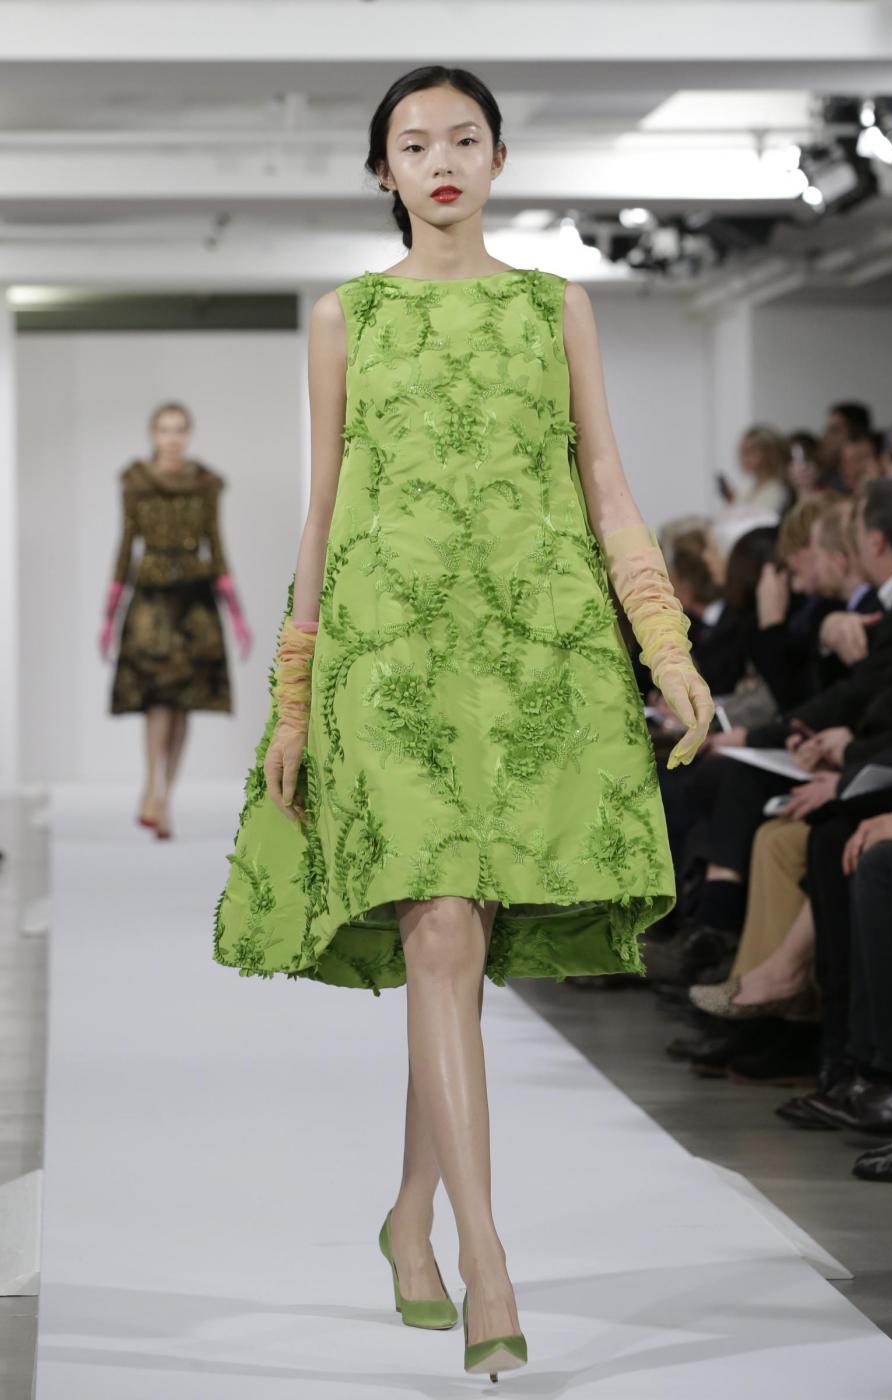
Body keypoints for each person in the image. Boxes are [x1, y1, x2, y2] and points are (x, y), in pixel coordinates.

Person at [212, 65, 714, 1382]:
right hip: (391, 658)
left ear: (498, 158)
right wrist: (296, 693)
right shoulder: (347, 317)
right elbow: (325, 506)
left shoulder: (556, 307)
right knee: (438, 926)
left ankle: (410, 1217)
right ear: (382, 171)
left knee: (463, 946)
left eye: (463, 138)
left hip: (538, 649)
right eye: (413, 143)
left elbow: (605, 482)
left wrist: (662, 641)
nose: (440, 160)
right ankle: (488, 1261)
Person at [99, 401, 252, 838]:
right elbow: (126, 543)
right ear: (154, 434)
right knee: (158, 697)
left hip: (194, 601)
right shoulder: (136, 483)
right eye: (165, 429)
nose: (172, 437)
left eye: (179, 429)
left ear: (188, 434)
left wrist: (236, 612)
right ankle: (152, 788)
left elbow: (215, 544)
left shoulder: (205, 484)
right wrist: (110, 613)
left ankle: (164, 797)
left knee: (183, 701)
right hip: (150, 599)